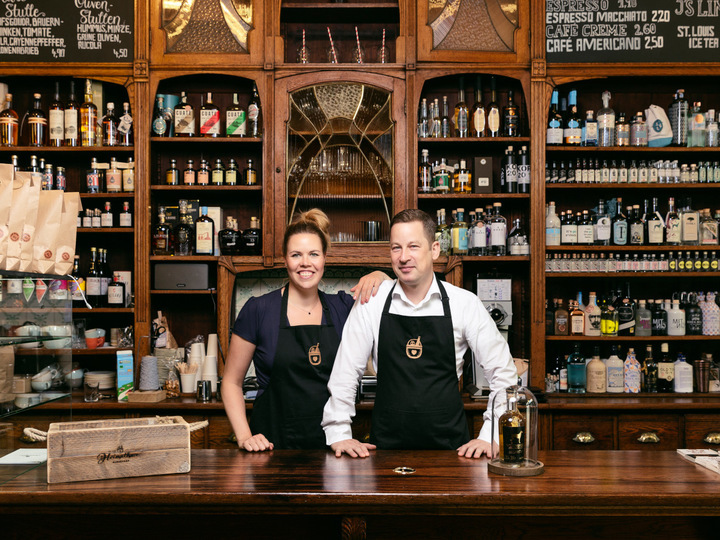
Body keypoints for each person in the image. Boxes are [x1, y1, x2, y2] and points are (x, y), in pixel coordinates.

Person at [321, 209, 518, 458]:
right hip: (385, 450)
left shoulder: (464, 303)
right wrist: (339, 433)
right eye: (396, 248)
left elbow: (504, 373)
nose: (404, 257)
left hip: (452, 451)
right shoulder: (371, 301)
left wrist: (490, 435)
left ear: (434, 249)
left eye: (413, 246)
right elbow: (346, 373)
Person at [223, 209, 389, 451]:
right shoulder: (258, 310)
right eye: (296, 255)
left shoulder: (343, 307)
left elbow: (391, 295)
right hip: (270, 447)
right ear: (285, 259)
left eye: (314, 254)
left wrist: (379, 274)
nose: (305, 263)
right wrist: (245, 436)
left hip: (333, 446)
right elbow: (231, 382)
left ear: (324, 259)